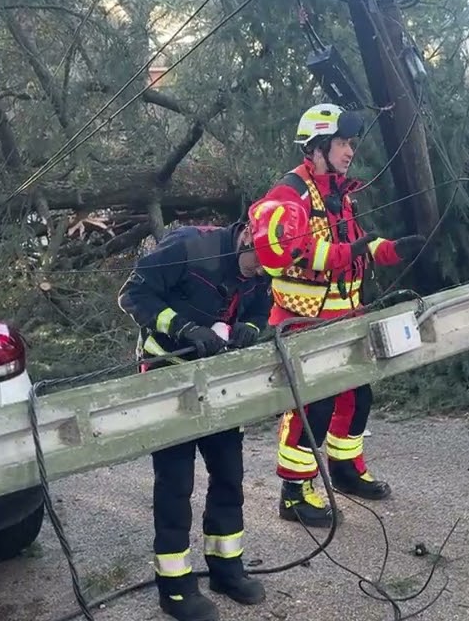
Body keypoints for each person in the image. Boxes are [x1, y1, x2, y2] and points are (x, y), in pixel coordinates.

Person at [253, 102, 427, 528]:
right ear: (316, 147)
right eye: (343, 143)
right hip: (302, 325)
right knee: (311, 409)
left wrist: (397, 249)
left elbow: (359, 249)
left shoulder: (338, 194)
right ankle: (294, 493)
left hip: (346, 318)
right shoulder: (288, 195)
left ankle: (345, 471)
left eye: (350, 143)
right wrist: (357, 248)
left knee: (357, 397)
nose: (350, 151)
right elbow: (287, 252)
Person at [116, 216, 272, 621]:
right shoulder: (187, 247)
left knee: (228, 475)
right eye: (257, 261)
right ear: (246, 235)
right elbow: (134, 296)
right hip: (169, 374)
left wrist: (250, 329)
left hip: (220, 381)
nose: (259, 272)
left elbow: (261, 306)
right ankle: (176, 586)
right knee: (175, 482)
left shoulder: (266, 267)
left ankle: (226, 569)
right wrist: (184, 328)